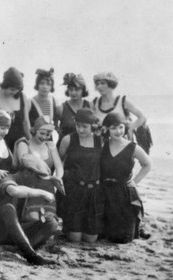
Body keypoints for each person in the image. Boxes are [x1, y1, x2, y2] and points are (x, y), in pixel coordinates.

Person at [0, 154, 59, 266]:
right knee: (8, 208)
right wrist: (43, 192)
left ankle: (20, 248)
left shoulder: (28, 185)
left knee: (51, 222)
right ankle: (31, 255)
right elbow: (14, 191)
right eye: (36, 177)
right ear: (27, 172)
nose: (37, 182)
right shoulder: (7, 178)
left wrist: (51, 181)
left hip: (13, 235)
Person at [100, 112, 152, 243]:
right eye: (113, 128)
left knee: (123, 239)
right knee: (103, 235)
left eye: (121, 127)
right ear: (106, 129)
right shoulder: (103, 145)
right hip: (105, 194)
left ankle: (137, 228)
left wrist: (134, 182)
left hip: (125, 196)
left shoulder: (133, 147)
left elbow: (147, 164)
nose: (118, 131)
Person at [58, 108, 103, 243]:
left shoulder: (100, 141)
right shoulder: (68, 140)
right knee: (75, 238)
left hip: (94, 192)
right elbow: (59, 162)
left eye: (85, 127)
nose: (81, 130)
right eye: (78, 125)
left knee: (91, 239)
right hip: (74, 191)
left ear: (93, 126)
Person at [0, 67, 31, 151]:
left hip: (19, 143)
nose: (14, 92)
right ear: (5, 85)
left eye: (17, 90)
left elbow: (26, 122)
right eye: (12, 89)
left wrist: (30, 141)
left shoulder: (22, 97)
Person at [91, 72, 147, 140]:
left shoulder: (122, 101)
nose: (99, 86)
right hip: (101, 145)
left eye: (103, 83)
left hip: (121, 144)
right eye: (97, 84)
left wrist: (129, 128)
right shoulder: (94, 103)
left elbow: (141, 117)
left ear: (111, 84)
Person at [55, 73, 91, 146]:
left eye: (77, 89)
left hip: (85, 147)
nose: (73, 93)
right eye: (71, 89)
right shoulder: (61, 108)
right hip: (66, 148)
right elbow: (55, 128)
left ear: (83, 90)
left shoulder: (90, 106)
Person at [28, 68, 58, 139]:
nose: (45, 87)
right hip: (35, 139)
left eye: (48, 84)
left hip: (50, 139)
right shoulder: (30, 102)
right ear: (37, 85)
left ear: (51, 87)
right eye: (42, 83)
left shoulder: (54, 101)